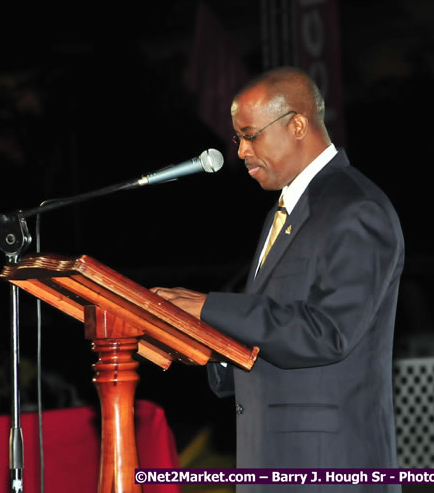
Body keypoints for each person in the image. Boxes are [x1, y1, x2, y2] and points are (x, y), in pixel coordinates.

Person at [153, 67, 404, 491]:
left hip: (330, 467)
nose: (241, 152)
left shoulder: (355, 209)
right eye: (237, 139)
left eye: (250, 135)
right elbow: (271, 336)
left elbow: (329, 332)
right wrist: (201, 343)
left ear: (298, 124)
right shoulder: (286, 209)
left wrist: (211, 306)